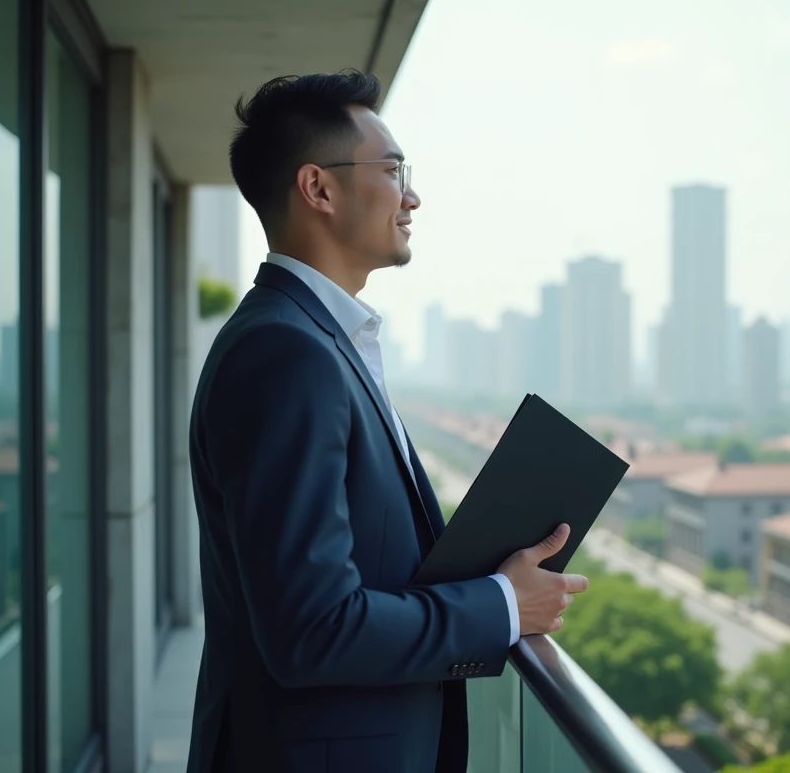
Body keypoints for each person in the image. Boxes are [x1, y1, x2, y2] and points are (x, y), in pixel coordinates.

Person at [186, 71, 589, 773]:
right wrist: (501, 605)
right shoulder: (287, 352)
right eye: (394, 170)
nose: (413, 196)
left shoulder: (316, 340)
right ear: (319, 188)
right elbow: (311, 628)